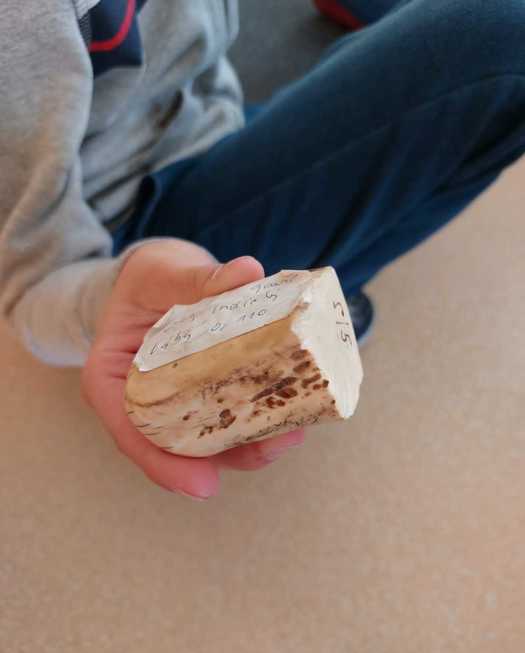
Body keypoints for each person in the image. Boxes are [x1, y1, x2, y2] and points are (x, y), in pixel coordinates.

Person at [1, 0, 524, 499]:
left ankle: (329, 269)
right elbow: (27, 280)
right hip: (133, 224)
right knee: (502, 33)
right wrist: (107, 296)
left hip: (202, 111)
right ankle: (328, 271)